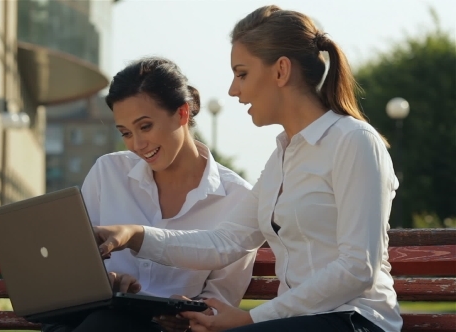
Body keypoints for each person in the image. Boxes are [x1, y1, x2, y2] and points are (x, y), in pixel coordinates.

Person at [94, 5, 402, 332]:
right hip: (297, 322)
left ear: (281, 70)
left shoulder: (354, 141)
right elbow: (223, 242)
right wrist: (134, 235)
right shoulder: (282, 157)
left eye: (242, 74)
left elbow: (358, 268)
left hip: (356, 320)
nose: (233, 89)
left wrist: (252, 318)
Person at [42, 57, 256, 332]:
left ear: (182, 114)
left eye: (145, 127)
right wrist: (109, 282)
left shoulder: (236, 198)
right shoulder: (108, 172)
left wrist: (188, 314)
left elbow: (221, 299)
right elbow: (78, 264)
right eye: (126, 133)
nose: (137, 145)